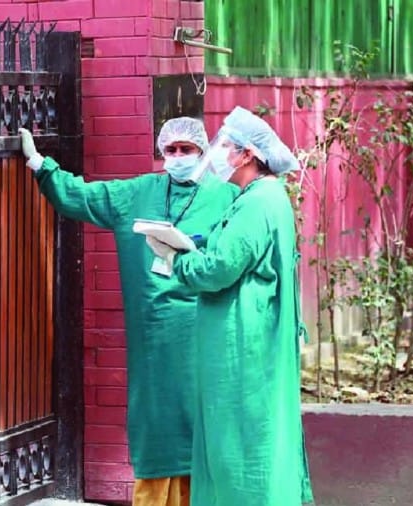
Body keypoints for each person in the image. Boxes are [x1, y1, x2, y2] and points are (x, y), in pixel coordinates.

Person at [18, 118, 238, 506]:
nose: (178, 156)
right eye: (171, 149)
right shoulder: (139, 193)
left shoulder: (226, 197)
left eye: (187, 149)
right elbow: (84, 196)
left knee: (204, 416)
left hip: (204, 328)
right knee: (155, 419)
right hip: (152, 334)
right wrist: (40, 164)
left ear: (202, 151)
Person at [146, 107, 314, 506]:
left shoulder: (258, 203)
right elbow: (234, 248)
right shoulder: (263, 197)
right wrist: (198, 244)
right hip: (253, 344)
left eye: (225, 146)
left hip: (243, 352)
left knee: (238, 445)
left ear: (247, 154)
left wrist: (176, 259)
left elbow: (220, 268)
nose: (217, 153)